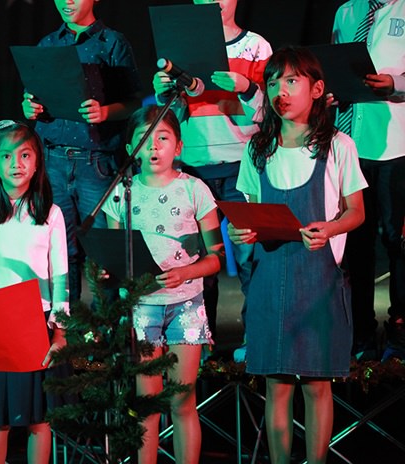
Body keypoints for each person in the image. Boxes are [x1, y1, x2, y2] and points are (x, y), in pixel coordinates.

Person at [228, 47, 366, 464]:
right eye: (273, 83)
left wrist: (331, 228)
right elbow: (248, 211)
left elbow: (356, 211)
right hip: (270, 278)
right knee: (277, 385)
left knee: (317, 384)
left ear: (317, 89)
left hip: (319, 280)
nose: (280, 92)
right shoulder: (258, 148)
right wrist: (240, 232)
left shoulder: (338, 145)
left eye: (291, 81)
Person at [102, 106, 224, 464]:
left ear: (178, 147)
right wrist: (112, 272)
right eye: (145, 139)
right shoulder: (120, 193)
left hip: (186, 304)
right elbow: (113, 257)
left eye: (163, 137)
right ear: (131, 149)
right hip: (142, 308)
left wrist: (186, 272)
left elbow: (216, 258)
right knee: (148, 402)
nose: (153, 146)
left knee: (182, 401)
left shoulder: (195, 190)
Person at [153, 0, 272, 359]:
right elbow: (173, 112)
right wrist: (163, 90)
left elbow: (271, 113)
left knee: (250, 257)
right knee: (198, 261)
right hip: (194, 169)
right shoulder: (182, 49)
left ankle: (258, 340)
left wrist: (246, 87)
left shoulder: (255, 46)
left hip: (240, 167)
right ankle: (199, 345)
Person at [0, 120, 69, 464]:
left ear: (37, 162)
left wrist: (60, 333)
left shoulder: (51, 214)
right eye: (6, 156)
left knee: (40, 419)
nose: (16, 163)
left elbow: (61, 276)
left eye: (25, 155)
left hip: (38, 323)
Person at [22, 0, 141, 303]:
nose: (67, 2)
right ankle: (67, 321)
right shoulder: (49, 43)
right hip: (53, 160)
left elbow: (133, 102)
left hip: (95, 162)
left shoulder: (111, 42)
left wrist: (105, 111)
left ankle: (106, 324)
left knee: (101, 252)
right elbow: (33, 96)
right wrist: (29, 107)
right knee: (61, 249)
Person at [332, 0, 405, 361]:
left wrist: (396, 84)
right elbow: (333, 66)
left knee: (398, 243)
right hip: (350, 147)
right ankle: (360, 332)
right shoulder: (347, 11)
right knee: (356, 244)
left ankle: (399, 332)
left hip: (396, 146)